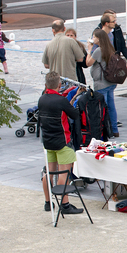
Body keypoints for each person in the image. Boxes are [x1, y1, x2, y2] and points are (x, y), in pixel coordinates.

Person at [38, 71, 84, 216]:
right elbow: (74, 115)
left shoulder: (41, 99)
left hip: (48, 140)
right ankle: (64, 204)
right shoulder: (61, 100)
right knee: (64, 172)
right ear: (59, 85)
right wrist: (75, 99)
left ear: (46, 85)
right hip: (62, 141)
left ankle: (47, 202)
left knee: (48, 172)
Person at [87, 28, 120, 136]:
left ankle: (103, 131)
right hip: (110, 81)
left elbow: (88, 63)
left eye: (94, 37)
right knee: (111, 106)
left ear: (99, 39)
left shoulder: (98, 51)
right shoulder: (110, 48)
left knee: (101, 108)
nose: (93, 38)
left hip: (101, 83)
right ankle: (114, 130)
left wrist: (89, 49)